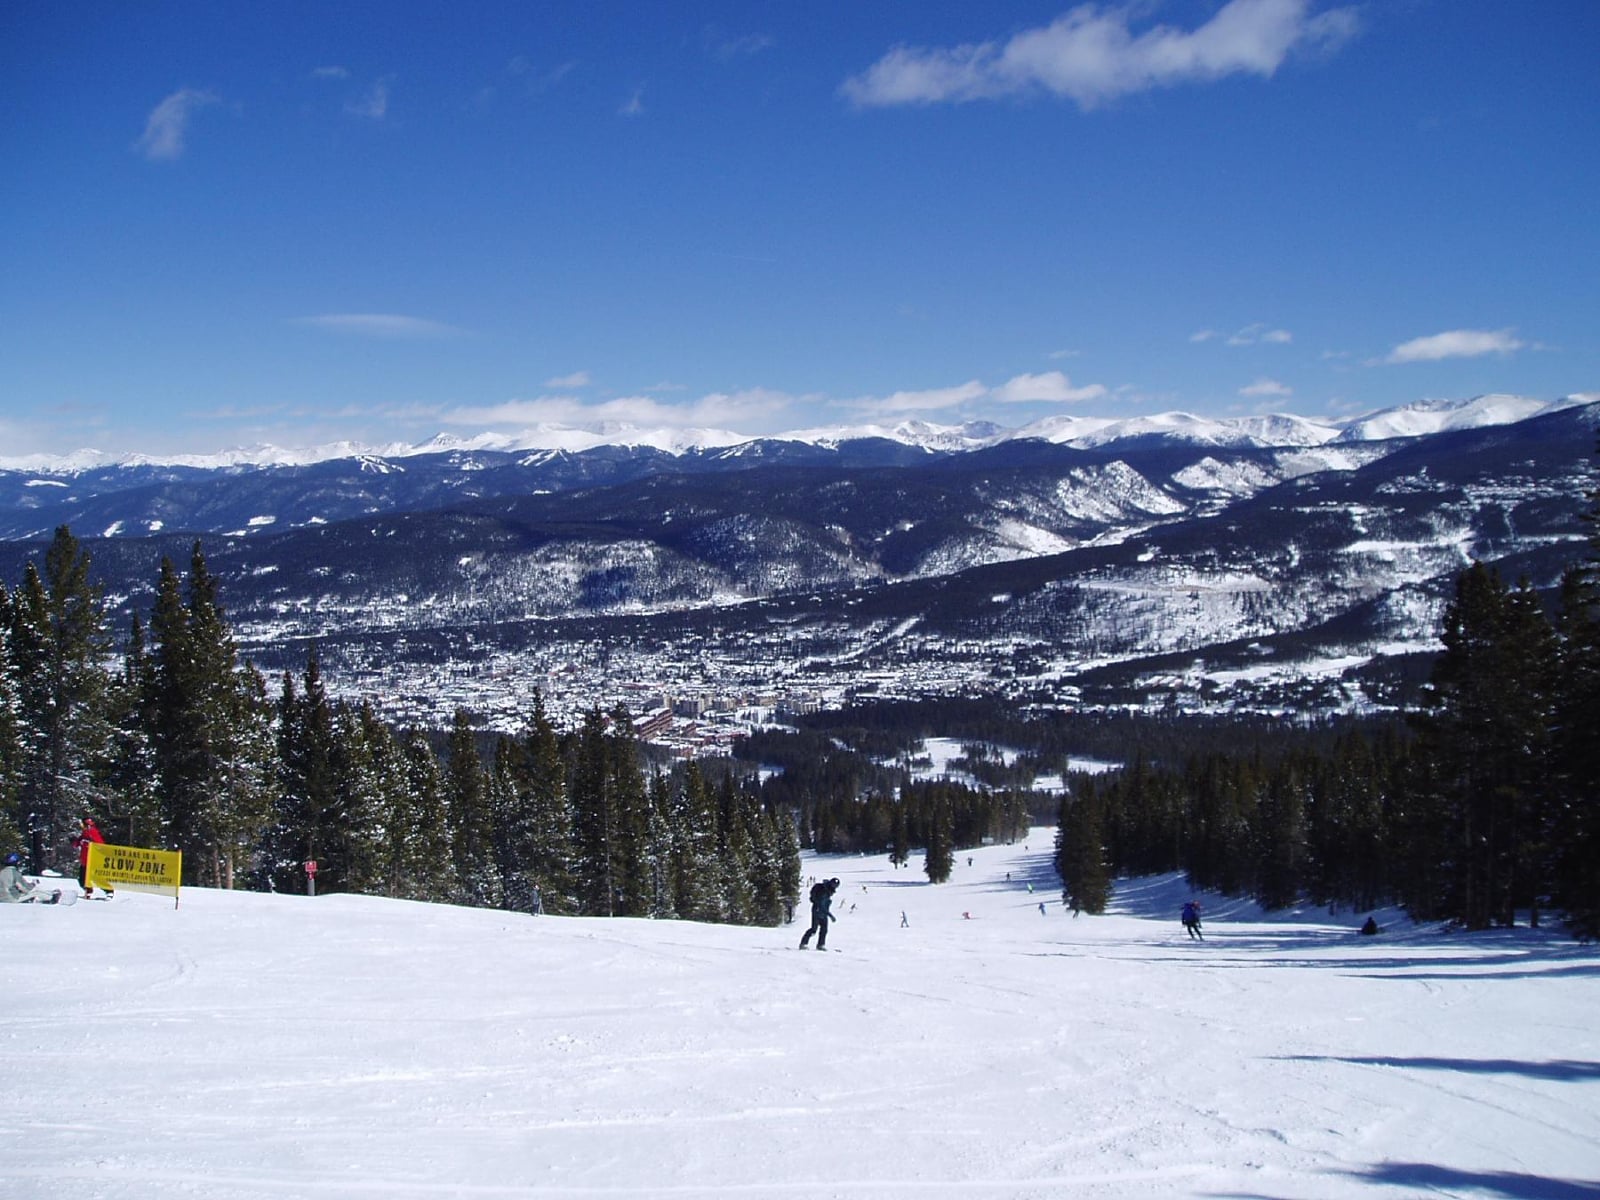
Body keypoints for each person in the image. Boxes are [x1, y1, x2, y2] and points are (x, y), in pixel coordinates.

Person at [71, 817, 109, 899]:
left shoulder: (92, 832)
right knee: (82, 879)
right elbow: (77, 843)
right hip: (84, 860)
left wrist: (91, 841)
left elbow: (100, 845)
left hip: (92, 860)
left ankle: (109, 891)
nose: (81, 826)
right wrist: (73, 841)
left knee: (96, 878)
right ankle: (88, 891)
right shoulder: (84, 833)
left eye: (82, 824)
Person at [799, 877, 839, 950]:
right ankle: (804, 943)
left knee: (824, 929)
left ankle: (821, 945)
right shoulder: (824, 891)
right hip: (817, 911)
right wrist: (830, 915)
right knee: (814, 929)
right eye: (835, 885)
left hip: (822, 912)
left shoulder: (828, 891)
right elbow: (821, 905)